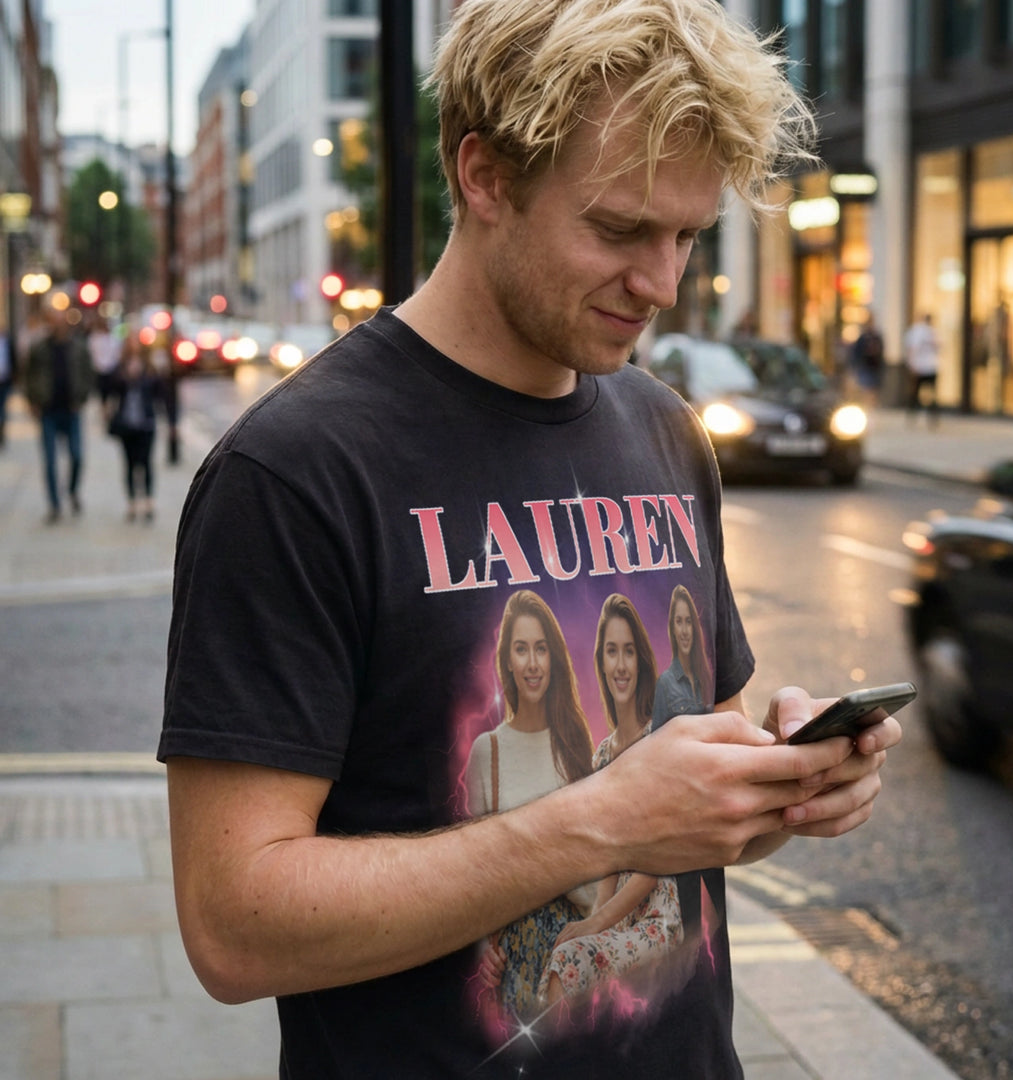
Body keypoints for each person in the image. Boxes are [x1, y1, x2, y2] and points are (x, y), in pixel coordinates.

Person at [159, 3, 903, 1077]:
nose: (662, 284)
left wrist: (786, 786)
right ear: (485, 177)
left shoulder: (665, 428)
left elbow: (694, 810)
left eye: (687, 236)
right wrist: (601, 822)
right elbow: (234, 927)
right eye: (619, 229)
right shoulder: (294, 473)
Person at [543, 594, 682, 1009]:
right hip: (622, 918)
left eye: (629, 652)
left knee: (569, 959)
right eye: (611, 652)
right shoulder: (602, 756)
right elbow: (609, 861)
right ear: (601, 662)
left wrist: (599, 922)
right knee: (564, 949)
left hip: (657, 919)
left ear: (641, 661)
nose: (621, 665)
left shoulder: (658, 739)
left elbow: (655, 860)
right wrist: (593, 921)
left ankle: (556, 1047)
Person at [465, 590, 596, 1019]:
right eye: (521, 649)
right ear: (507, 659)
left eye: (541, 648)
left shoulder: (574, 747)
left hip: (572, 955)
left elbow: (596, 877)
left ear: (554, 658)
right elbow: (472, 873)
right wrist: (482, 948)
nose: (533, 663)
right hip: (515, 967)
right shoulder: (488, 753)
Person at [23, 308, 94, 523]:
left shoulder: (78, 347)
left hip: (71, 410)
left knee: (77, 456)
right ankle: (54, 504)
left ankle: (72, 490)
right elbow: (28, 375)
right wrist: (32, 401)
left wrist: (82, 398)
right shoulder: (39, 348)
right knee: (50, 460)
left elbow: (88, 374)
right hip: (48, 410)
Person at [105, 333, 167, 523]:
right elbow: (110, 387)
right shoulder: (120, 368)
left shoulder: (150, 368)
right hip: (126, 424)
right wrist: (127, 377)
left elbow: (160, 391)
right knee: (130, 463)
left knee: (146, 462)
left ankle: (148, 501)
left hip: (146, 423)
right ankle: (132, 502)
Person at [653, 584, 712, 726]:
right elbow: (657, 738)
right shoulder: (664, 684)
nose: (684, 631)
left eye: (688, 621)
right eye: (679, 622)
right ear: (672, 628)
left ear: (694, 627)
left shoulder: (705, 678)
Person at [904, 312, 940, 425]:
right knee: (924, 393)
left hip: (925, 366)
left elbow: (911, 349)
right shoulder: (924, 331)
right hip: (926, 366)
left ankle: (920, 416)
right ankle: (917, 416)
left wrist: (911, 364)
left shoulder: (930, 332)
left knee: (919, 393)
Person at [850, 312, 885, 406]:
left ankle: (871, 406)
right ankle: (866, 405)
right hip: (864, 366)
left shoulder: (877, 336)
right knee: (865, 388)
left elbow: (881, 350)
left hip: (874, 367)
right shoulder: (863, 337)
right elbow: (856, 352)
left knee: (873, 389)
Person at [87, 313, 121, 405]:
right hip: (98, 373)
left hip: (111, 372)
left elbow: (116, 354)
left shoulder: (114, 338)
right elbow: (93, 354)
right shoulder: (94, 338)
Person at [0, 325, 12, 448]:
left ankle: (1, 433)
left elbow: (13, 359)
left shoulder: (8, 342)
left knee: (2, 409)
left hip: (4, 382)